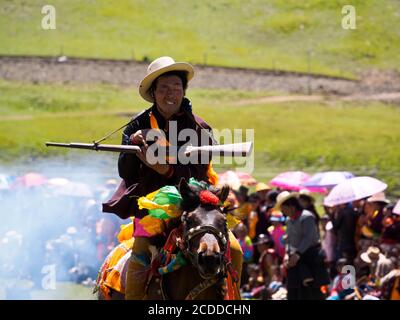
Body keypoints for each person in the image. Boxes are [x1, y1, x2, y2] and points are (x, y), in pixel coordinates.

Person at [114, 56, 243, 299]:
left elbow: (201, 174)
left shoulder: (199, 127)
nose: (170, 93)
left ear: (184, 90)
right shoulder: (136, 127)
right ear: (153, 93)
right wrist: (134, 147)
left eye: (176, 87)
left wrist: (168, 171)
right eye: (163, 88)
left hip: (195, 205)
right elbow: (125, 172)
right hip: (150, 206)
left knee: (234, 250)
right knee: (140, 255)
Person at [276, 191, 330, 300]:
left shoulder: (307, 217)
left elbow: (309, 238)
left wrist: (298, 254)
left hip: (310, 258)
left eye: (284, 208)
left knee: (311, 292)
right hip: (295, 260)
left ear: (291, 206)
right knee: (294, 292)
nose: (283, 211)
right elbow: (289, 240)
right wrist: (287, 255)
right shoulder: (288, 220)